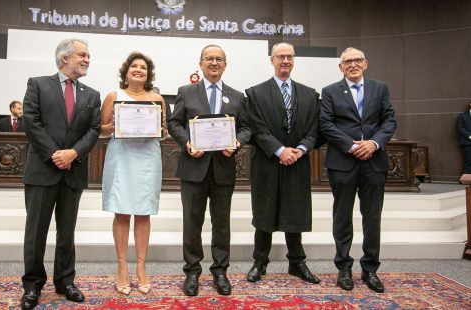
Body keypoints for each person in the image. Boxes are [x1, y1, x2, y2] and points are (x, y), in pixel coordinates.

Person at [20, 38, 101, 309]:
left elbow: (93, 130)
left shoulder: (92, 95)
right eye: (82, 55)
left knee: (67, 232)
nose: (87, 59)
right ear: (64, 58)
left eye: (88, 56)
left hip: (73, 173)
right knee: (36, 232)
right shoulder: (38, 84)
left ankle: (65, 281)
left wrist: (73, 154)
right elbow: (30, 121)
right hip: (42, 170)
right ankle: (32, 285)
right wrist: (56, 154)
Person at [168, 44, 251, 296]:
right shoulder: (186, 92)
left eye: (219, 59)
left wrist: (237, 143)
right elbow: (174, 123)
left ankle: (220, 272)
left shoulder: (237, 96)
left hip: (223, 170)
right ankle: (192, 272)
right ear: (201, 63)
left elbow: (246, 128)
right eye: (209, 59)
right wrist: (187, 143)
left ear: (225, 65)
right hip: (194, 168)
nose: (214, 63)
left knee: (222, 224)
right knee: (192, 223)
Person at [320, 47, 396, 293]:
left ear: (366, 63)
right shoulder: (330, 91)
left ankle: (370, 268)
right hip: (343, 161)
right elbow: (325, 124)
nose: (352, 64)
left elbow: (389, 120)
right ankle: (343, 267)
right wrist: (351, 145)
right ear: (340, 67)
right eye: (347, 61)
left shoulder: (380, 88)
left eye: (357, 60)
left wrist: (374, 143)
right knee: (342, 216)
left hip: (374, 161)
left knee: (372, 216)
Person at [244, 42, 321, 285]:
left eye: (289, 56)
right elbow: (256, 127)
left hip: (297, 162)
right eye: (280, 57)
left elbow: (315, 129)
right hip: (267, 162)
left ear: (294, 60)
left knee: (294, 211)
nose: (285, 60)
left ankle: (297, 262)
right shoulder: (255, 93)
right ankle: (260, 262)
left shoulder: (310, 94)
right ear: (272, 60)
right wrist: (279, 150)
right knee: (265, 212)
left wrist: (300, 149)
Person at [100, 51, 167, 295]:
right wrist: (115, 125)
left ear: (148, 75)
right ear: (126, 72)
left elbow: (164, 132)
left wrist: (159, 129)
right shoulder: (113, 96)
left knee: (143, 213)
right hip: (122, 157)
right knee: (121, 212)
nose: (139, 70)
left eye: (143, 67)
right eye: (134, 67)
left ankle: (141, 268)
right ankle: (122, 269)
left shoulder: (157, 99)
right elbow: (101, 130)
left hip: (147, 158)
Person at [457, 100, 471, 174]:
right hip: (467, 143)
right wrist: (469, 136)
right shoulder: (463, 115)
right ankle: (465, 179)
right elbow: (460, 128)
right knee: (468, 161)